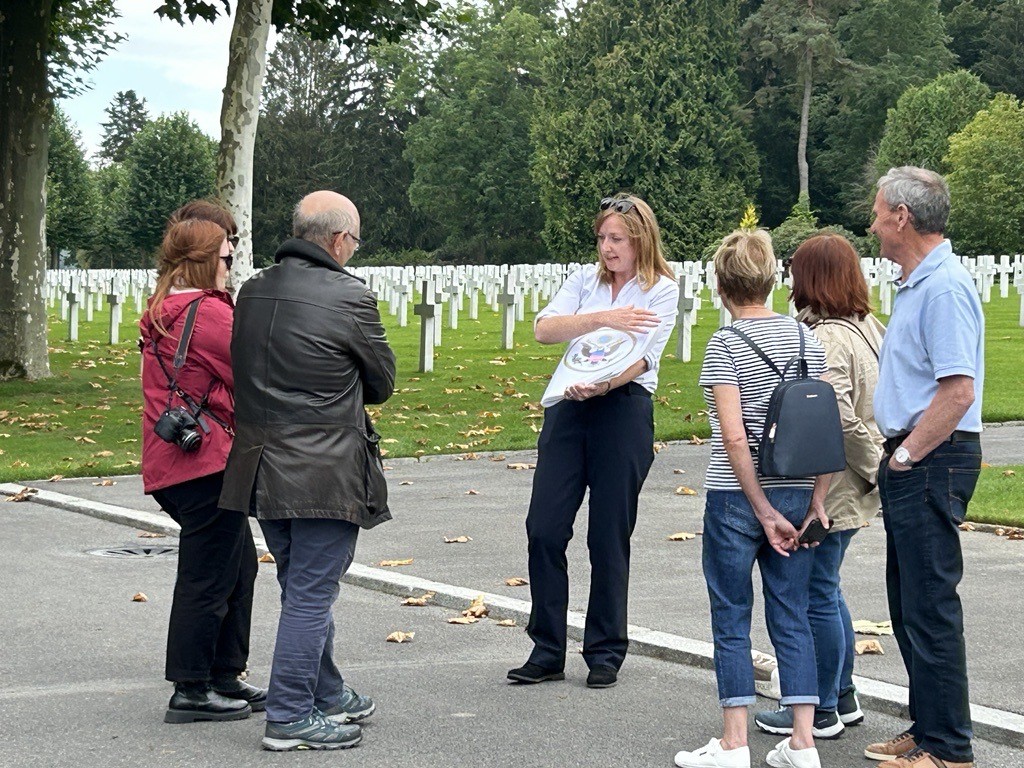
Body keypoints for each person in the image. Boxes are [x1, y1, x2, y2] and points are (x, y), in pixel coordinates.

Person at [219, 191, 396, 752]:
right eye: (356, 241)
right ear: (340, 240)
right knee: (311, 594)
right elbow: (381, 381)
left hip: (261, 464)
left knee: (299, 585)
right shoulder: (348, 296)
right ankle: (292, 713)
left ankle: (327, 691)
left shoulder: (252, 289)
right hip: (323, 467)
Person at [507, 193, 678, 690]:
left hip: (621, 412)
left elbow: (645, 358)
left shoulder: (660, 290)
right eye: (602, 238)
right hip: (567, 407)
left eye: (616, 238)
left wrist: (604, 384)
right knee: (544, 527)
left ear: (640, 239)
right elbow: (544, 330)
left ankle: (605, 651)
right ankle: (546, 649)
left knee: (607, 535)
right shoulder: (584, 283)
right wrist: (600, 318)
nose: (607, 247)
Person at [674, 229, 830, 768]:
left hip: (738, 497)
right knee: (793, 612)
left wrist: (760, 508)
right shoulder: (809, 341)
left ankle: (735, 741)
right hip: (800, 492)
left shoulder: (725, 345)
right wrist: (816, 501)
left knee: (731, 612)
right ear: (774, 279)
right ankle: (803, 743)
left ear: (720, 285)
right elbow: (823, 428)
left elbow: (734, 437)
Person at [862, 167, 983, 768]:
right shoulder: (918, 283)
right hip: (917, 456)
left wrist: (907, 456)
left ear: (902, 217)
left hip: (933, 456)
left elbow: (958, 390)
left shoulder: (944, 288)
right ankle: (928, 727)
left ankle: (949, 749)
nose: (874, 222)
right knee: (909, 603)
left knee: (930, 605)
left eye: (879, 211)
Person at [754, 233, 884, 741]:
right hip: (857, 478)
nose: (789, 280)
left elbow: (839, 417)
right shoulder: (867, 325)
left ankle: (822, 705)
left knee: (814, 595)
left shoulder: (828, 337)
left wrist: (874, 467)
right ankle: (842, 693)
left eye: (796, 271)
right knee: (827, 589)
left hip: (839, 483)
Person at [140, 212, 264, 723]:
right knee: (208, 575)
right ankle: (191, 687)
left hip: (179, 458)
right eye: (228, 255)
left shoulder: (167, 306)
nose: (232, 264)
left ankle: (223, 674)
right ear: (208, 260)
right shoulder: (208, 312)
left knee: (237, 564)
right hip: (204, 462)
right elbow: (252, 372)